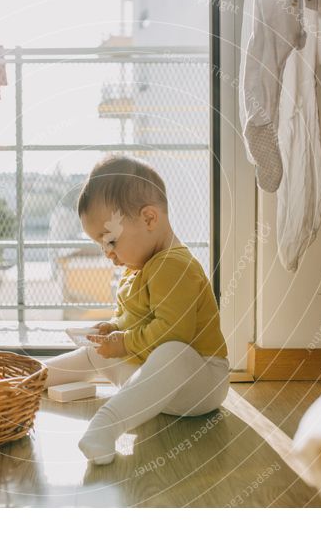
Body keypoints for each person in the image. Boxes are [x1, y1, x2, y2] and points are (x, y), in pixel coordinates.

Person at [43, 155, 230, 464]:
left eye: (111, 240)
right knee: (96, 350)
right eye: (101, 245)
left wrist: (125, 342)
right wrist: (114, 328)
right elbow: (135, 320)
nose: (107, 253)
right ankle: (34, 379)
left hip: (201, 383)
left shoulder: (173, 265)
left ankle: (106, 425)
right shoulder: (137, 266)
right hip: (159, 387)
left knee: (173, 353)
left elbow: (173, 332)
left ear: (149, 219)